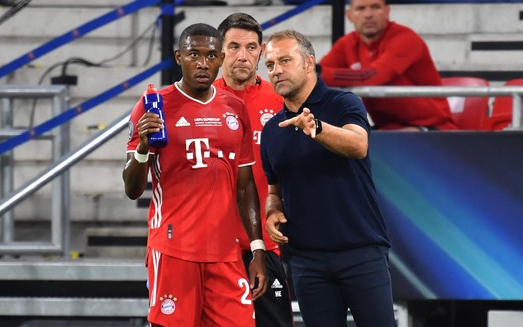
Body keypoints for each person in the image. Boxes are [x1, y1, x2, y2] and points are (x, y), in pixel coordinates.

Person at [123, 23, 267, 327]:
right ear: (179, 57)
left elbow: (245, 187)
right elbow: (132, 188)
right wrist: (143, 149)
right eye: (194, 54)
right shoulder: (154, 107)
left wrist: (257, 250)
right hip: (174, 249)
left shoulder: (235, 108)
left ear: (221, 59)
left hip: (226, 252)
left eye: (211, 55)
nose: (203, 63)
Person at [261, 29, 396, 327]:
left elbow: (358, 145)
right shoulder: (272, 129)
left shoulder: (344, 103)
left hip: (361, 250)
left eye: (285, 60)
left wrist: (317, 128)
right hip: (307, 260)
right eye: (270, 65)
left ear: (309, 63)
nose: (276, 70)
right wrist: (272, 209)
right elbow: (274, 188)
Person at [213, 13, 294, 327]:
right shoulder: (202, 102)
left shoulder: (281, 103)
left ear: (262, 52)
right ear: (220, 52)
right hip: (214, 247)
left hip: (267, 245)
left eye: (251, 47)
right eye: (233, 47)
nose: (242, 56)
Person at [318, 0, 457, 131]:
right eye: (360, 9)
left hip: (433, 128)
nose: (368, 14)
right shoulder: (347, 43)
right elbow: (314, 75)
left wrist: (316, 73)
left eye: (375, 7)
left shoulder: (405, 38)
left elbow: (370, 77)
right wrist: (310, 74)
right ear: (349, 15)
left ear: (387, 11)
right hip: (388, 128)